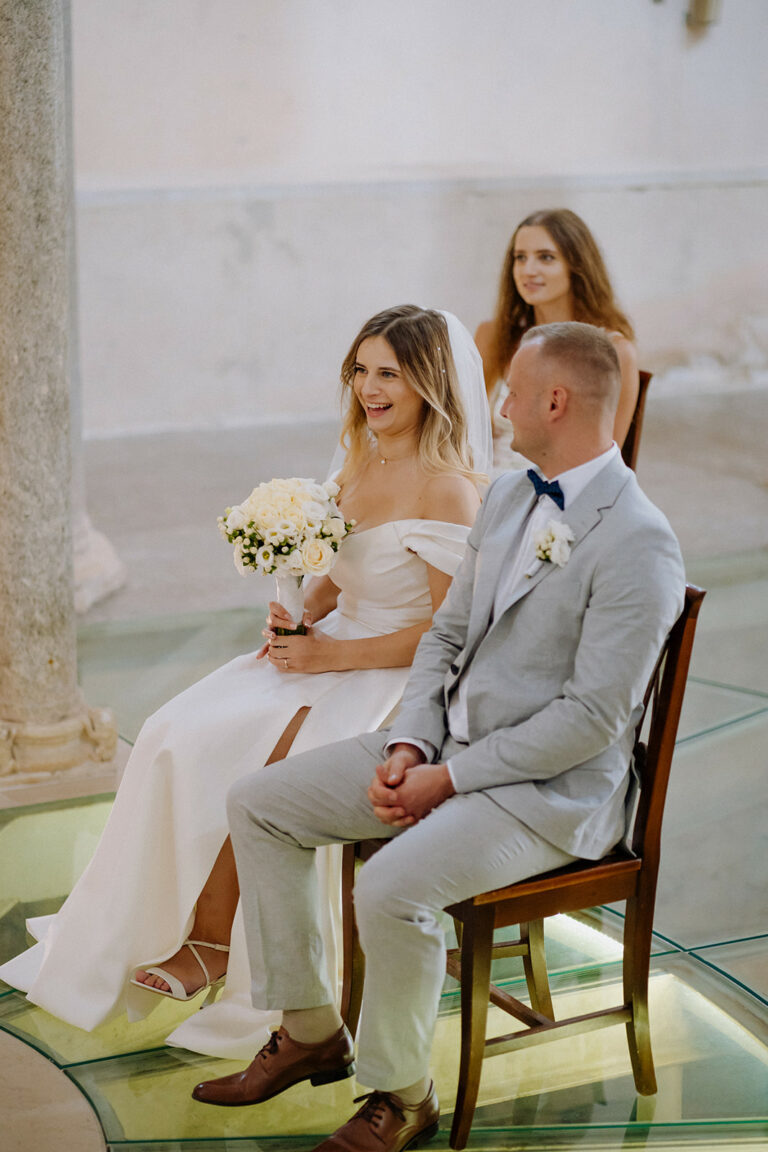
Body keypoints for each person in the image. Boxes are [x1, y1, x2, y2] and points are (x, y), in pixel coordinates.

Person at [191, 323, 686, 1152]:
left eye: (514, 394)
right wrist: (410, 749)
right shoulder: (509, 493)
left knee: (388, 889)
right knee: (260, 804)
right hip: (444, 750)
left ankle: (401, 1094)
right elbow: (445, 640)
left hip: (549, 793)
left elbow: (590, 722)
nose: (498, 407)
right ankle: (311, 1027)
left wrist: (447, 783)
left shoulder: (639, 542)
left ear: (555, 402)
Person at [0, 305, 492, 1062]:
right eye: (361, 371)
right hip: (325, 652)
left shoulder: (446, 488)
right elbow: (339, 572)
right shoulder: (360, 457)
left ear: (429, 382)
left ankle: (215, 945)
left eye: (389, 373)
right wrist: (299, 614)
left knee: (271, 762)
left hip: (393, 681)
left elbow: (443, 635)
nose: (369, 388)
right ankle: (139, 927)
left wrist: (331, 658)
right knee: (173, 731)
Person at [475, 208, 639, 471]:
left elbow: (606, 465)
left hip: (560, 499)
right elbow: (465, 434)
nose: (528, 270)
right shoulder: (493, 335)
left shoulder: (614, 351)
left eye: (546, 257)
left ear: (577, 266)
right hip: (485, 491)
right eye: (520, 257)